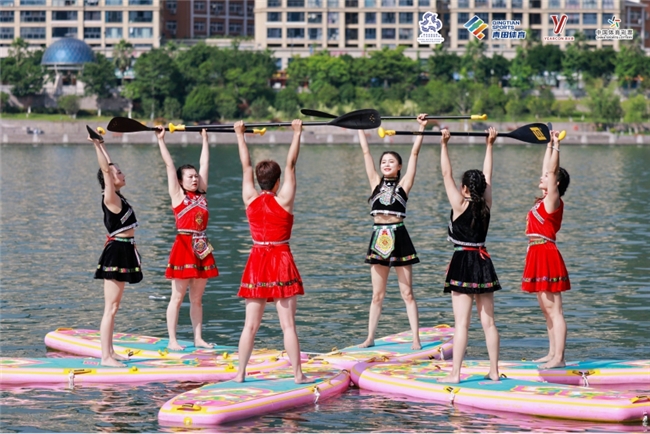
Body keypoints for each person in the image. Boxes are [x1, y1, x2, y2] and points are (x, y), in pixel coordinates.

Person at [232, 119, 309, 384]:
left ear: (259, 181)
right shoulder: (284, 199)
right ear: (277, 182)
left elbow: (245, 166)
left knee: (250, 326)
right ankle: (298, 374)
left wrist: (240, 135)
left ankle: (240, 374)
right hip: (281, 260)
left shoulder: (249, 198)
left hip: (257, 260)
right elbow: (291, 165)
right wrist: (297, 133)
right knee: (288, 326)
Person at [357, 114, 429, 350]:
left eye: (391, 161)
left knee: (407, 293)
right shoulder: (375, 183)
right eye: (384, 162)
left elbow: (415, 154)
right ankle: (370, 337)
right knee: (377, 295)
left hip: (399, 236)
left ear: (399, 167)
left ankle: (416, 338)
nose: (386, 164)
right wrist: (359, 127)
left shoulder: (404, 185)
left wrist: (421, 128)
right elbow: (366, 153)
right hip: (379, 237)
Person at [437, 127, 501, 384]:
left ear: (464, 188)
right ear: (482, 188)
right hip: (483, 263)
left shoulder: (459, 203)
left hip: (463, 262)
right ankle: (494, 371)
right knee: (489, 323)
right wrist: (489, 145)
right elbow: (489, 175)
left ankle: (455, 374)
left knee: (461, 324)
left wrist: (444, 144)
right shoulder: (487, 204)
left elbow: (445, 173)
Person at [155, 127, 218, 351]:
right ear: (180, 181)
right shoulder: (177, 195)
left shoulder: (202, 193)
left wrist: (205, 139)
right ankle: (172, 340)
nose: (195, 178)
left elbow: (205, 164)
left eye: (196, 176)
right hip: (183, 246)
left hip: (202, 246)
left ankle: (198, 338)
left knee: (197, 298)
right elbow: (169, 165)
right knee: (177, 297)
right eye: (190, 177)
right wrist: (161, 140)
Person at [89, 126, 142, 367]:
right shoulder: (109, 197)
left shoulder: (119, 197)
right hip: (116, 251)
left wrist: (103, 145)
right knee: (110, 308)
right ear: (110, 180)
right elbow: (105, 169)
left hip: (125, 249)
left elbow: (108, 166)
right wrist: (95, 146)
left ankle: (111, 351)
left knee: (115, 306)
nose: (122, 173)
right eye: (118, 173)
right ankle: (105, 357)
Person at [522, 130, 571, 369]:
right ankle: (552, 353)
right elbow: (547, 168)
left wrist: (557, 146)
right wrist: (549, 145)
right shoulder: (542, 200)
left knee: (555, 310)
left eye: (548, 176)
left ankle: (559, 358)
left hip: (546, 253)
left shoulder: (553, 200)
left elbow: (550, 171)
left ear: (555, 183)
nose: (542, 176)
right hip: (535, 252)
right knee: (545, 309)